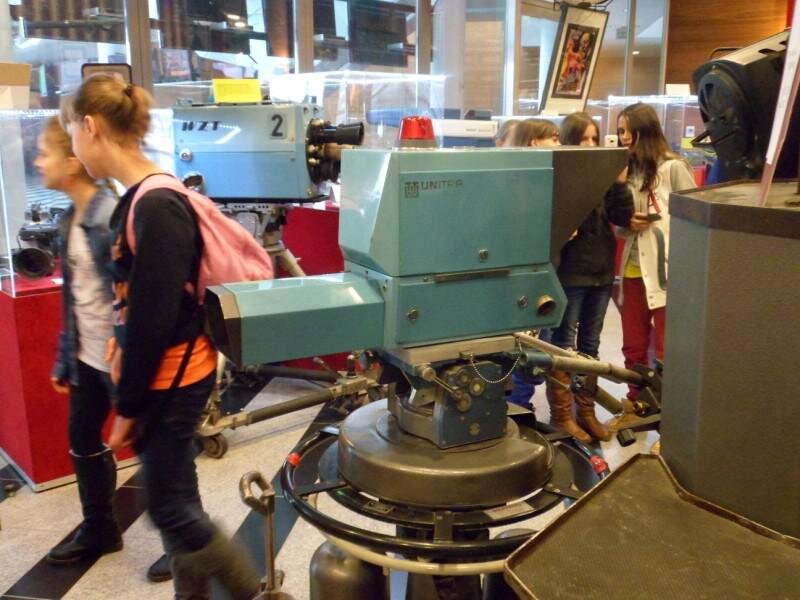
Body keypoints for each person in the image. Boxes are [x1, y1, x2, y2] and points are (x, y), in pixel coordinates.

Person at [61, 75, 260, 600]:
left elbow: (154, 319)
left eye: (72, 132)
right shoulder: (140, 200)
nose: (73, 148)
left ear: (90, 126)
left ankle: (252, 592)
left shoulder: (156, 205)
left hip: (174, 377)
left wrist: (128, 406)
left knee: (168, 505)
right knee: (173, 500)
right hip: (166, 374)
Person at [37, 117, 121, 564]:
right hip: (88, 358)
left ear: (72, 162)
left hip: (123, 359)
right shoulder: (69, 218)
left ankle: (183, 542)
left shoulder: (109, 217)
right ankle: (100, 529)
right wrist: (64, 359)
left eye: (44, 153)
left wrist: (130, 351)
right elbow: (75, 299)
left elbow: (135, 295)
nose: (37, 162)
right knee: (83, 438)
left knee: (163, 454)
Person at [544, 112, 633, 443]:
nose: (592, 144)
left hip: (601, 270)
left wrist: (619, 182)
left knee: (590, 347)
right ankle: (562, 416)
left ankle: (586, 411)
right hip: (570, 271)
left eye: (595, 138)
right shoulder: (561, 176)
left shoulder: (603, 176)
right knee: (563, 346)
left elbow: (622, 217)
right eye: (584, 139)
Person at [607, 102, 695, 432]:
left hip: (666, 271)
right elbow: (616, 216)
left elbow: (694, 217)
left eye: (626, 130)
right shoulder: (625, 170)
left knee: (668, 347)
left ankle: (672, 417)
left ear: (642, 130)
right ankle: (638, 403)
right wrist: (627, 220)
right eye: (619, 131)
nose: (622, 137)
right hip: (633, 267)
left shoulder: (673, 168)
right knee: (633, 344)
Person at [506, 118, 560, 411]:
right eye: (554, 137)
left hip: (543, 276)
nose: (559, 143)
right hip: (522, 280)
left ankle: (519, 408)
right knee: (523, 353)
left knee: (535, 355)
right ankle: (517, 411)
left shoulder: (545, 181)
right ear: (534, 142)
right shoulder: (517, 184)